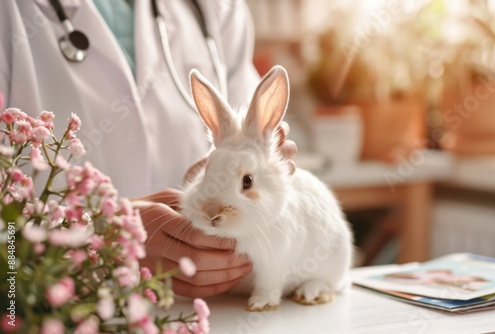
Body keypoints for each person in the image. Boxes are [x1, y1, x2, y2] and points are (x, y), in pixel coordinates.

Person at [0, 0, 296, 297]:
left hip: (210, 312)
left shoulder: (217, 8)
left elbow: (253, 153)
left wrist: (215, 178)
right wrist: (103, 237)